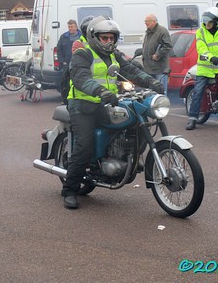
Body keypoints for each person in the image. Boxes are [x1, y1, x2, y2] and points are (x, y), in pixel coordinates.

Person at [62, 16, 163, 209]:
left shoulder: (114, 55)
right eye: (104, 38)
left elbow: (131, 70)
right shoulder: (83, 54)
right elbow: (81, 77)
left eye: (112, 38)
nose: (109, 42)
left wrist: (151, 82)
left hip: (105, 103)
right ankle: (70, 190)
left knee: (136, 122)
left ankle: (127, 158)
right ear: (94, 37)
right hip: (83, 105)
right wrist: (101, 91)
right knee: (85, 145)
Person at [142, 14, 173, 95]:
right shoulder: (148, 33)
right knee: (150, 93)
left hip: (160, 69)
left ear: (154, 22)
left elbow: (168, 46)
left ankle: (163, 107)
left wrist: (158, 54)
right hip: (149, 69)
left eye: (147, 22)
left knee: (161, 92)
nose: (145, 23)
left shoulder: (162, 31)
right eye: (145, 22)